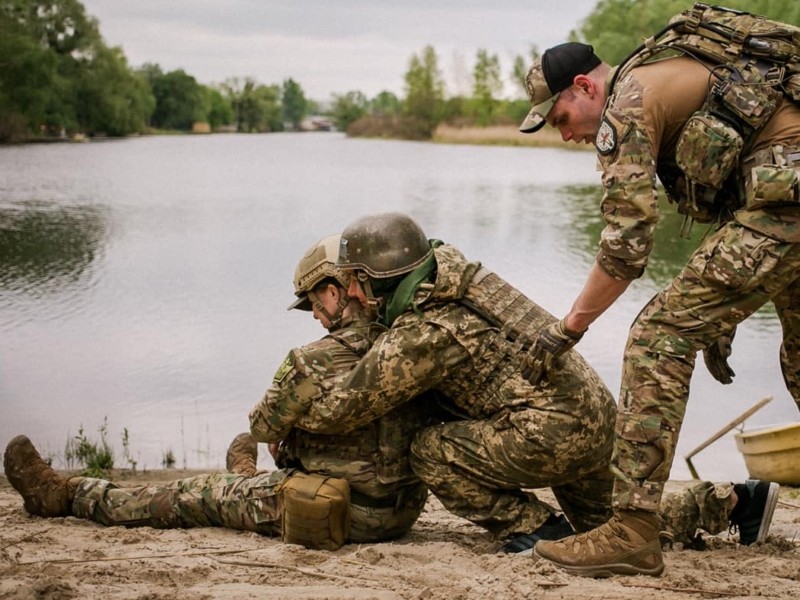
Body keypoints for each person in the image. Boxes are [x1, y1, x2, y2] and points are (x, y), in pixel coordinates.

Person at [297, 211, 775, 554]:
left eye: (356, 280)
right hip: (588, 413)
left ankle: (536, 531)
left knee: (428, 450)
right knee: (608, 527)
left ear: (377, 277)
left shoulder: (427, 329)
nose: (353, 291)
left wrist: (288, 416)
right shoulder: (458, 278)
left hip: (552, 431)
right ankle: (733, 502)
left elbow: (348, 406)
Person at [517, 7, 796, 576]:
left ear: (584, 85)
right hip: (786, 194)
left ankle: (634, 531)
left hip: (786, 200)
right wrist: (721, 317)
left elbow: (625, 249)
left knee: (657, 335)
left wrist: (569, 325)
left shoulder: (627, 103)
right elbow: (740, 186)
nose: (566, 133)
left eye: (561, 117)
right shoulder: (666, 73)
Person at [3, 234, 429, 549]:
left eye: (316, 306)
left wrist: (290, 418)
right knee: (256, 478)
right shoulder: (406, 346)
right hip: (400, 513)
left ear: (335, 293)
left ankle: (65, 496)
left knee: (188, 495)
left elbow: (262, 427)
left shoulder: (312, 360)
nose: (316, 317)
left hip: (338, 511)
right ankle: (242, 477)